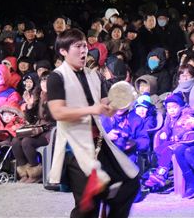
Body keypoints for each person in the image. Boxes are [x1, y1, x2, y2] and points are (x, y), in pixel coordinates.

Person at [46, 29, 139, 217]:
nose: (83, 50)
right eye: (77, 46)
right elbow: (57, 112)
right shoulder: (56, 77)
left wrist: (118, 103)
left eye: (84, 46)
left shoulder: (94, 75)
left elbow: (105, 105)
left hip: (99, 142)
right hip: (74, 145)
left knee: (130, 183)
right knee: (88, 204)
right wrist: (91, 109)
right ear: (63, 51)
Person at [143, 92, 194, 189]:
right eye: (169, 108)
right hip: (173, 140)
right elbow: (166, 127)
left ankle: (162, 174)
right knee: (159, 149)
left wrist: (178, 136)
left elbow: (187, 128)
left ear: (181, 106)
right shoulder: (169, 117)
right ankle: (162, 171)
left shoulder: (186, 115)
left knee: (167, 150)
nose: (172, 111)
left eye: (174, 108)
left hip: (183, 141)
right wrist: (164, 132)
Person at [14, 71, 56, 183]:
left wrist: (47, 102)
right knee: (15, 141)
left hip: (51, 131)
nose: (44, 83)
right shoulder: (38, 94)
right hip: (37, 129)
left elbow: (54, 118)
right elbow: (31, 119)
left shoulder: (56, 96)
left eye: (47, 80)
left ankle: (36, 172)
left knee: (27, 142)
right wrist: (30, 106)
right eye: (42, 80)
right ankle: (24, 172)